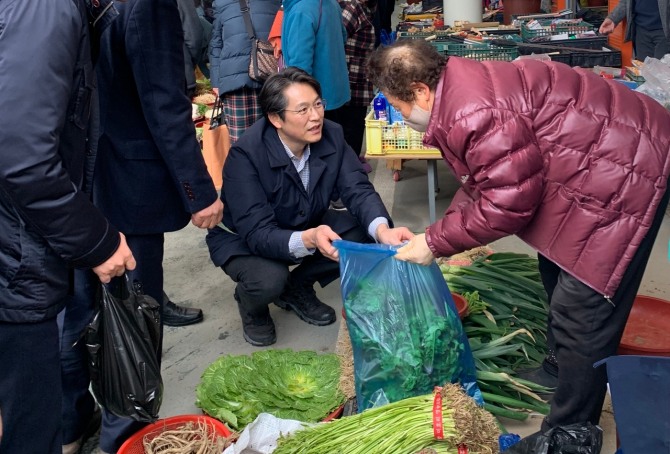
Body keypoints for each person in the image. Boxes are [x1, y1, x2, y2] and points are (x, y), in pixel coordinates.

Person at [366, 39, 670, 449]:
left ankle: (569, 436)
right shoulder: (459, 88)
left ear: (421, 90)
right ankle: (562, 369)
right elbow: (484, 180)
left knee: (582, 310)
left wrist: (435, 242)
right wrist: (434, 235)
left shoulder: (473, 110)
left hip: (629, 170)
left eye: (399, 107)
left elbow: (508, 203)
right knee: (553, 267)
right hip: (600, 157)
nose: (403, 118)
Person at [60, 0, 224, 452]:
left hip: (72, 181)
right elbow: (162, 102)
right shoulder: (147, 5)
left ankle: (70, 425)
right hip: (125, 182)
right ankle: (123, 433)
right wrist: (199, 191)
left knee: (73, 309)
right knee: (134, 314)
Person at [0, 0, 136, 452]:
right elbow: (25, 159)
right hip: (15, 264)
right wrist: (98, 242)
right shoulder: (46, 8)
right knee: (30, 431)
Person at [206, 67, 413, 347]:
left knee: (365, 232)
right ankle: (252, 307)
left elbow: (357, 188)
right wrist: (308, 238)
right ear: (275, 118)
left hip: (301, 218)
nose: (316, 116)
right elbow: (256, 232)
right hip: (243, 237)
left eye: (318, 104)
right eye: (302, 110)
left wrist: (383, 230)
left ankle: (297, 287)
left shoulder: (331, 135)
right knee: (268, 279)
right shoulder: (246, 155)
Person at [209, 0, 282, 142]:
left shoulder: (221, 3)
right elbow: (216, 43)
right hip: (263, 79)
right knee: (269, 141)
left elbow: (215, 45)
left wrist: (217, 80)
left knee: (245, 143)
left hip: (249, 82)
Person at [281, 0, 351, 124]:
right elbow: (343, 37)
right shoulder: (332, 4)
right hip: (336, 93)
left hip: (316, 101)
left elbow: (299, 67)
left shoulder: (301, 11)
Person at [338, 0, 377, 172]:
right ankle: (350, 169)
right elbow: (336, 39)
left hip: (355, 78)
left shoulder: (358, 7)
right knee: (351, 126)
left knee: (353, 125)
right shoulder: (351, 8)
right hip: (351, 81)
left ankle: (351, 163)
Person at [599, 0, 670, 60]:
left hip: (664, 32)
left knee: (662, 72)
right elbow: (626, 2)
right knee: (644, 71)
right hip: (641, 31)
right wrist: (613, 19)